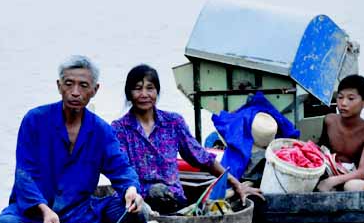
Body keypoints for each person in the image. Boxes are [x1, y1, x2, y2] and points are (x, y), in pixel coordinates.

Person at [0, 56, 146, 223]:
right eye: (69, 84)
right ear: (59, 86)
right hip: (32, 212)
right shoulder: (35, 120)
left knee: (136, 214)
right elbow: (24, 175)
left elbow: (121, 168)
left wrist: (131, 190)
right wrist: (44, 210)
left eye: (83, 86)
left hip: (80, 212)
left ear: (94, 90)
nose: (75, 93)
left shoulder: (101, 130)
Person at [110, 64, 259, 214]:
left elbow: (202, 157)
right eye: (137, 88)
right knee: (153, 192)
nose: (144, 94)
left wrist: (234, 182)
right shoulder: (119, 128)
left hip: (172, 199)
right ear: (129, 94)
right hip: (135, 201)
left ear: (157, 92)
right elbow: (120, 170)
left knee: (161, 192)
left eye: (150, 88)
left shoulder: (173, 122)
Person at [316, 74, 364, 192]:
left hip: (352, 176)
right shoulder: (329, 121)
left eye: (350, 99)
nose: (343, 103)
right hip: (328, 170)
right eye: (340, 97)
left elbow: (363, 172)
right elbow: (321, 151)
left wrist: (332, 181)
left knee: (353, 186)